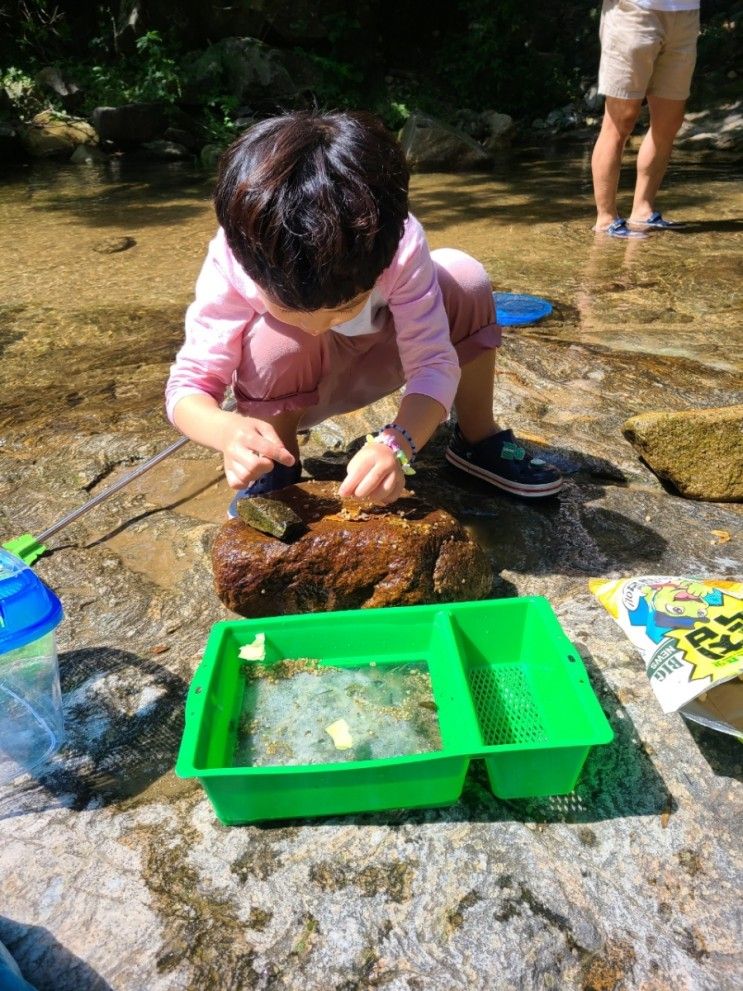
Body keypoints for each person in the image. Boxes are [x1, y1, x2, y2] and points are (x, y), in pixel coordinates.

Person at [166, 111, 563, 516]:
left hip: (380, 361)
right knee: (278, 337)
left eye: (342, 307)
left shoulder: (394, 244)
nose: (318, 326)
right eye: (289, 306)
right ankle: (276, 464)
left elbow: (432, 363)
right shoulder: (239, 252)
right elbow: (189, 385)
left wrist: (398, 443)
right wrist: (225, 431)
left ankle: (477, 439)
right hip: (299, 385)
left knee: (464, 276)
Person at [591, 0, 700, 238]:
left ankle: (642, 210)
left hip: (685, 15)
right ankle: (606, 218)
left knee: (669, 122)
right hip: (633, 12)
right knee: (620, 121)